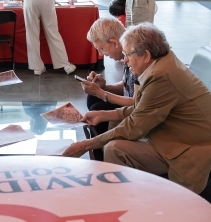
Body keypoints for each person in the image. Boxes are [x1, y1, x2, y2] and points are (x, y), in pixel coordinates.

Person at [63, 23, 211, 194]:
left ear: (146, 55)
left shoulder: (160, 76)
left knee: (115, 149)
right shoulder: (161, 64)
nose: (124, 60)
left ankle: (122, 202)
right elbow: (143, 109)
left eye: (127, 54)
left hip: (188, 147)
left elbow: (136, 124)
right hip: (175, 136)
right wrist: (104, 114)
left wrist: (86, 145)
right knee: (112, 129)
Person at [82, 17, 139, 160]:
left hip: (137, 110)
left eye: (101, 48)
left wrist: (103, 93)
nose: (101, 54)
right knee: (93, 97)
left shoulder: (136, 56)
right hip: (131, 103)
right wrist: (103, 88)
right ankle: (100, 143)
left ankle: (102, 155)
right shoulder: (128, 51)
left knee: (98, 107)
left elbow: (137, 103)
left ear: (114, 42)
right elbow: (127, 86)